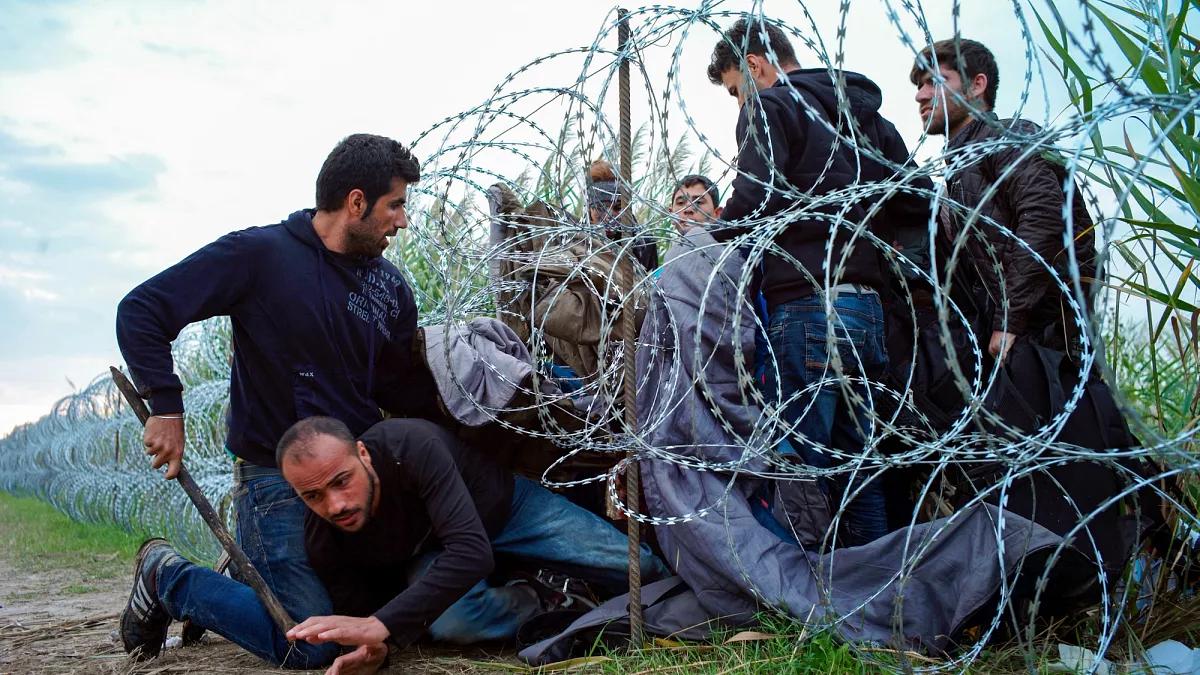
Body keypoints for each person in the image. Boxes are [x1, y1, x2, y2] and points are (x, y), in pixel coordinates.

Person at [114, 134, 439, 667]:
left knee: (390, 620)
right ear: (356, 203)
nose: (401, 221)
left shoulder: (391, 289)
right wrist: (166, 407)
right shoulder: (259, 256)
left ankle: (247, 569)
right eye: (395, 205)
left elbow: (394, 388)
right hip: (277, 483)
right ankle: (168, 576)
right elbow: (144, 310)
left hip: (356, 479)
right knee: (315, 651)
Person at [706, 18, 931, 547]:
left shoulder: (771, 106)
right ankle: (875, 585)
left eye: (737, 89)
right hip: (868, 310)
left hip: (807, 308)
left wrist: (709, 244)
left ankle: (805, 595)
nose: (740, 102)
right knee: (860, 465)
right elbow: (916, 195)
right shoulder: (863, 112)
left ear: (756, 65)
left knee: (801, 463)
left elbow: (756, 196)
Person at [272, 416, 670, 674]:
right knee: (454, 623)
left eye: (342, 480)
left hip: (504, 511)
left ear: (363, 454)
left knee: (640, 571)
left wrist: (382, 625)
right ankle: (548, 599)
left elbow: (472, 551)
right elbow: (362, 623)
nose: (335, 504)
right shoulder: (324, 539)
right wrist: (372, 652)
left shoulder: (412, 445)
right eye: (313, 495)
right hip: (440, 551)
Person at [588, 159, 658, 272]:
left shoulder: (644, 244)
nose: (608, 217)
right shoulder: (578, 240)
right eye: (600, 208)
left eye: (617, 208)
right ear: (589, 209)